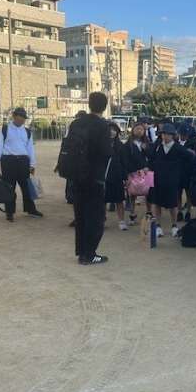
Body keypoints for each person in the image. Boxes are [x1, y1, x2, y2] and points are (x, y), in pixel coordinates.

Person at [69, 92, 112, 265]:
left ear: (89, 104)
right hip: (95, 177)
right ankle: (90, 254)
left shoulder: (76, 123)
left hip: (76, 175)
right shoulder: (102, 126)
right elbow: (106, 152)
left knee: (80, 216)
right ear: (104, 106)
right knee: (95, 217)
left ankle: (81, 252)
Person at [0, 107, 42, 222]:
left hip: (23, 162)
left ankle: (31, 209)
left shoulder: (27, 132)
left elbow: (30, 149)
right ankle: (9, 212)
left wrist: (32, 164)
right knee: (9, 188)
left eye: (24, 118)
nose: (23, 120)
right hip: (8, 161)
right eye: (21, 117)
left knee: (27, 187)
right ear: (14, 116)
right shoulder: (5, 129)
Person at [150, 123, 193, 238]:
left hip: (172, 181)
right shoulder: (157, 146)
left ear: (173, 135)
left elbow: (190, 159)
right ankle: (158, 226)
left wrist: (180, 171)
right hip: (157, 179)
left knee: (173, 204)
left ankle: (174, 226)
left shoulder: (179, 148)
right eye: (163, 134)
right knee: (157, 203)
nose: (165, 136)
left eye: (168, 134)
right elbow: (151, 159)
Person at [122, 122, 151, 224]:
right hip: (133, 171)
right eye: (137, 129)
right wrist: (129, 171)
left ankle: (149, 212)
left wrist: (146, 149)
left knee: (149, 193)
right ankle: (132, 213)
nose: (139, 131)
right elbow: (125, 159)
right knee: (132, 193)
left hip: (147, 171)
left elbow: (151, 156)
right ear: (133, 130)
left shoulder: (148, 143)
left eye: (141, 129)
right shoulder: (128, 144)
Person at [105, 122, 128, 231]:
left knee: (119, 200)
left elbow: (124, 162)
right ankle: (101, 220)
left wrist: (125, 177)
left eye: (114, 130)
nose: (112, 132)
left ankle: (121, 221)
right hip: (104, 177)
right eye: (110, 129)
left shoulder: (121, 146)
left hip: (117, 176)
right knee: (103, 200)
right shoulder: (101, 145)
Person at [177, 123, 196, 222]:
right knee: (178, 193)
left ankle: (188, 212)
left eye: (186, 134)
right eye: (182, 134)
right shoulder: (175, 141)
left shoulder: (193, 142)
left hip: (188, 171)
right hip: (178, 171)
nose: (184, 136)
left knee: (188, 193)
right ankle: (179, 211)